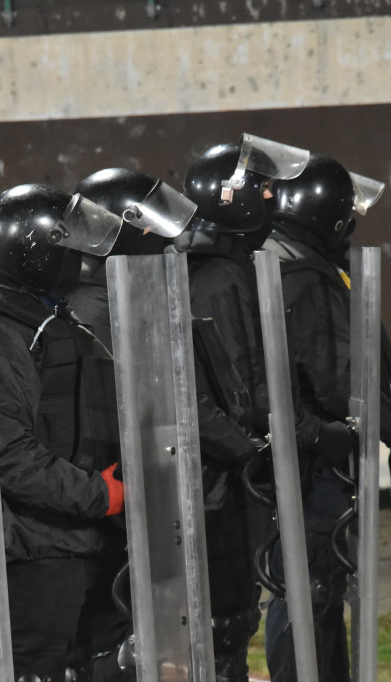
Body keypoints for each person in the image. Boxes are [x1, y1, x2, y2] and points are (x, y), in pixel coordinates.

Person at [70, 166, 260, 682]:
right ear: (120, 228)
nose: (162, 239)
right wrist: (247, 449)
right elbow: (179, 402)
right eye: (149, 227)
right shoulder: (109, 310)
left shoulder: (98, 301)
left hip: (123, 503)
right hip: (126, 507)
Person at [261, 153, 391, 682]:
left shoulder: (283, 262)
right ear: (329, 219)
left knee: (314, 590)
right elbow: (342, 382)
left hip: (309, 456)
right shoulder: (307, 277)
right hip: (318, 461)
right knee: (312, 590)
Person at [181, 137, 333, 681]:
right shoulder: (219, 277)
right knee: (226, 624)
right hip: (219, 481)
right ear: (235, 199)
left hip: (226, 473)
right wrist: (273, 441)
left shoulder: (224, 265)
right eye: (264, 188)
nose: (273, 198)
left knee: (234, 618)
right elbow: (241, 386)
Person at [0, 183, 130, 682]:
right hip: (40, 549)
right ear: (40, 251)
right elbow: (8, 453)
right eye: (68, 246)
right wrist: (98, 495)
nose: (80, 258)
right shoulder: (0, 329)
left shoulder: (50, 317)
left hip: (85, 537)